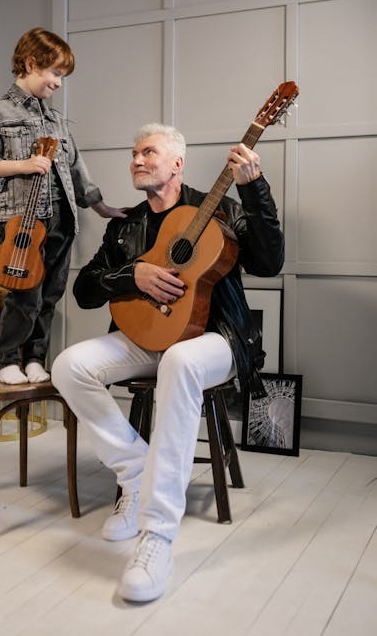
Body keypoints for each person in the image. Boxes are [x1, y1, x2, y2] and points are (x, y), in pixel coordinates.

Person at [51, 122, 284, 602]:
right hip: (147, 335)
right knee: (68, 365)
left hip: (216, 338)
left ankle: (157, 535)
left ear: (177, 163)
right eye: (134, 153)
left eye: (149, 152)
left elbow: (269, 261)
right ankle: (136, 472)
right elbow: (85, 289)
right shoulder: (125, 225)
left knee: (178, 360)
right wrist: (131, 275)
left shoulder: (221, 208)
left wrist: (254, 188)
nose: (137, 159)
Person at [0, 27, 125, 385]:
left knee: (50, 295)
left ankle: (35, 358)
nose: (58, 83)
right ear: (30, 63)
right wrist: (22, 165)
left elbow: (75, 166)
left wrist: (101, 207)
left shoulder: (54, 120)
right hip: (24, 222)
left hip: (62, 219)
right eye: (55, 73)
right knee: (25, 297)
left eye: (62, 76)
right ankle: (8, 360)